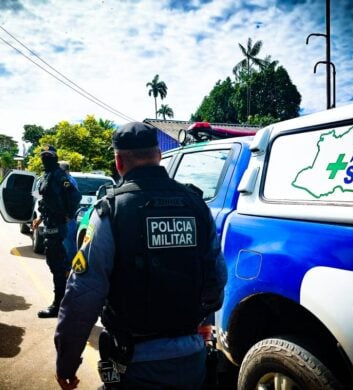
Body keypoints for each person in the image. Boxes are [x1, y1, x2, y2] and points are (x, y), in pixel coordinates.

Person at [54, 122, 227, 389]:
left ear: (118, 161)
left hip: (133, 361)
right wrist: (199, 321)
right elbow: (216, 276)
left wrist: (66, 362)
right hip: (192, 357)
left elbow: (82, 294)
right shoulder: (196, 204)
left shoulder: (111, 210)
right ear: (159, 155)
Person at [32, 146, 81, 319]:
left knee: (58, 264)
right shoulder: (47, 175)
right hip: (50, 223)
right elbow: (46, 200)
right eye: (43, 156)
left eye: (49, 156)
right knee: (55, 263)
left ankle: (59, 305)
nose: (45, 158)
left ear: (55, 157)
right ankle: (63, 301)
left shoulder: (60, 176)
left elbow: (75, 197)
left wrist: (68, 214)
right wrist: (40, 219)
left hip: (58, 225)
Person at [59, 161, 79, 264]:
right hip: (62, 218)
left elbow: (74, 200)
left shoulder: (69, 182)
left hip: (67, 219)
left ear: (67, 171)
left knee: (69, 245)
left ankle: (72, 268)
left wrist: (68, 215)